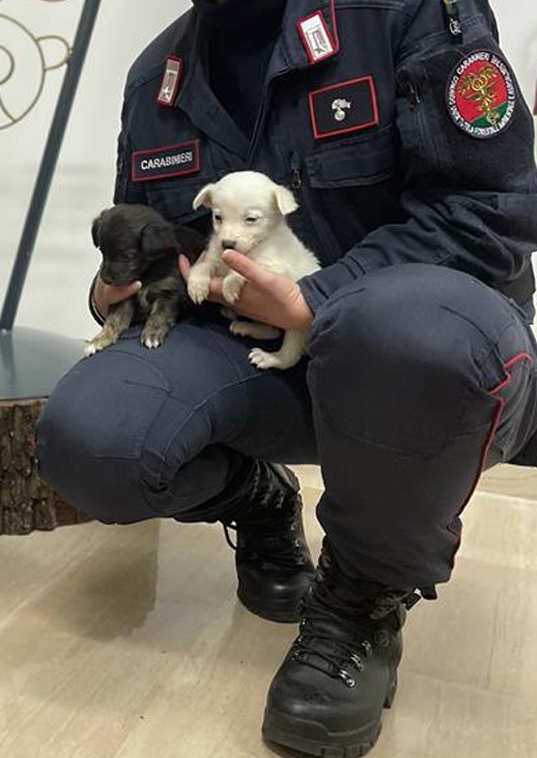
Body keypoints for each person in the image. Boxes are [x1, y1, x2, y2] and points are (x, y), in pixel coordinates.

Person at [36, 0, 537, 755]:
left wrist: (320, 297)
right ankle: (257, 498)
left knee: (405, 333)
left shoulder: (408, 14)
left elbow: (489, 209)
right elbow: (142, 236)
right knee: (90, 437)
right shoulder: (155, 78)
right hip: (249, 351)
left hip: (419, 361)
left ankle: (359, 599)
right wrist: (107, 290)